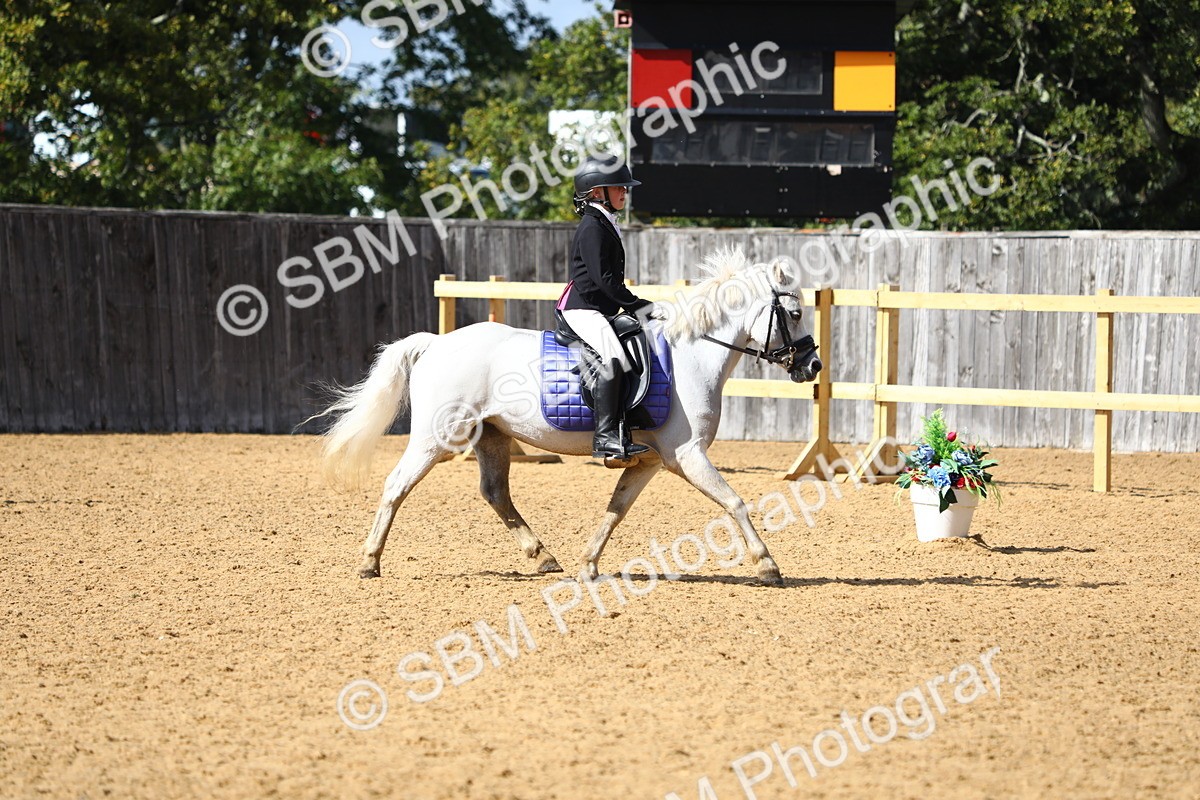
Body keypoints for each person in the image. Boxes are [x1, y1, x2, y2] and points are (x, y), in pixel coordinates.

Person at [556, 153, 655, 464]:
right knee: (613, 358)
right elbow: (605, 280)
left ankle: (627, 419)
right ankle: (605, 437)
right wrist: (637, 305)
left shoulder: (604, 221)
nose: (625, 192)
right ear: (598, 192)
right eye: (619, 187)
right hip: (583, 309)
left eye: (625, 188)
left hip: (597, 307)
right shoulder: (593, 226)